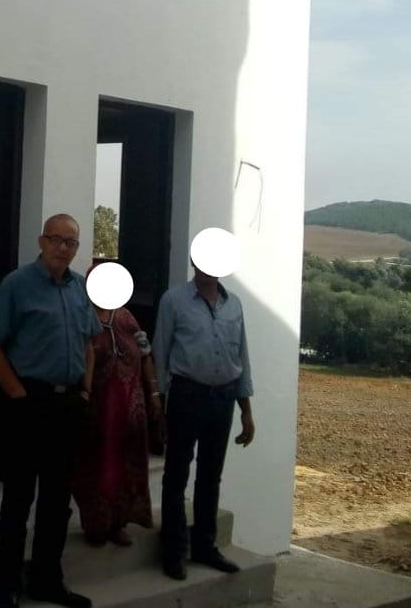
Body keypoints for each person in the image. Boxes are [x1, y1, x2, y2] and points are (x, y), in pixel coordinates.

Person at [0, 214, 102, 608]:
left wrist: (86, 390)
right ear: (41, 241)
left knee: (57, 499)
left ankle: (47, 580)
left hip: (68, 406)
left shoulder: (80, 287)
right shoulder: (17, 285)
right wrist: (19, 396)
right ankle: (7, 584)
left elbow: (89, 343)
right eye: (56, 239)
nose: (63, 248)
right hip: (30, 403)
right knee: (19, 498)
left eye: (71, 242)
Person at [152, 229, 255, 581]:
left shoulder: (234, 305)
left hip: (223, 398)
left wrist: (246, 410)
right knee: (176, 474)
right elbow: (160, 354)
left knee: (211, 475)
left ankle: (205, 546)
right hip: (186, 396)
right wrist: (159, 404)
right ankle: (173, 551)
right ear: (194, 259)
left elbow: (241, 357)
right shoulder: (173, 301)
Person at [71, 288, 158, 547]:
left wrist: (154, 393)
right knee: (94, 467)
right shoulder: (82, 317)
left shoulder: (126, 318)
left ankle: (118, 523)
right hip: (96, 409)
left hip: (129, 408)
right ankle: (96, 525)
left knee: (124, 467)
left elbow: (145, 356)